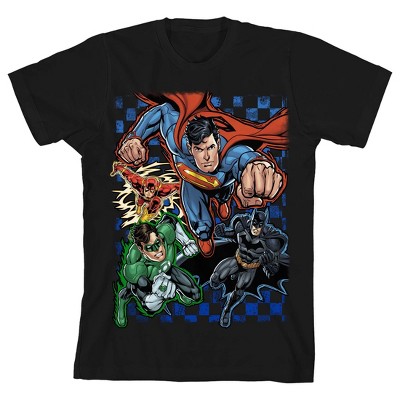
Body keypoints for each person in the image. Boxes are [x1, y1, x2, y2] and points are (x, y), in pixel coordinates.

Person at [116, 92, 288, 256]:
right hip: (193, 186)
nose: (207, 157)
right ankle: (204, 236)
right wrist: (135, 136)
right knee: (199, 221)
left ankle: (223, 202)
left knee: (223, 194)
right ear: (190, 148)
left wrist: (257, 165)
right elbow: (163, 111)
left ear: (217, 143)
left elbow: (245, 157)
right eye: (199, 149)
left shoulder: (229, 154)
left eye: (210, 147)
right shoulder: (177, 141)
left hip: (222, 185)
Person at [114, 214, 201, 327]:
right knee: (151, 305)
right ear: (141, 249)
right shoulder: (135, 261)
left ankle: (178, 292)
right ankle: (122, 299)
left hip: (167, 270)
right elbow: (143, 286)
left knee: (195, 294)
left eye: (157, 243)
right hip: (147, 281)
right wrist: (160, 293)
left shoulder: (164, 232)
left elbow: (171, 219)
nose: (158, 250)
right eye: (150, 248)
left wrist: (186, 242)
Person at [209, 209, 289, 328]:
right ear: (251, 221)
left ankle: (227, 309)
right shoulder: (241, 226)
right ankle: (227, 279)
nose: (256, 228)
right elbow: (233, 235)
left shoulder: (270, 240)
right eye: (254, 223)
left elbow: (274, 263)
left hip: (250, 268)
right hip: (237, 260)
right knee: (214, 280)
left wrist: (270, 264)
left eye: (259, 225)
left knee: (239, 290)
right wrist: (222, 233)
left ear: (264, 225)